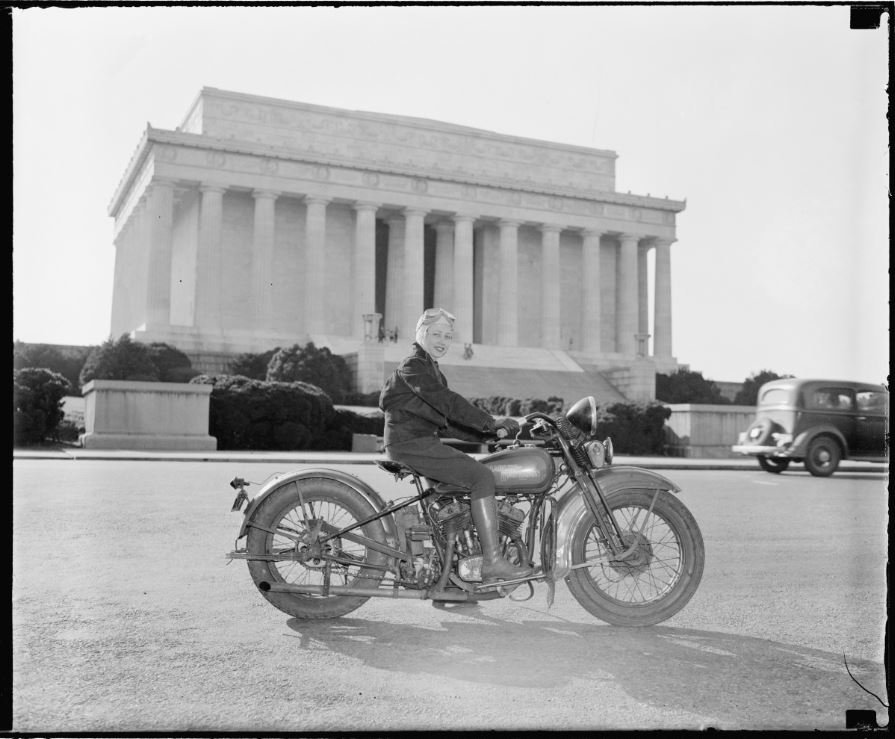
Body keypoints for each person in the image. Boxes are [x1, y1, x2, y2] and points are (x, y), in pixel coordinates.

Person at [379, 307, 533, 582]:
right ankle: (492, 562)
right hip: (411, 444)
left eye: (448, 336)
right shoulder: (414, 365)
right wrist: (489, 420)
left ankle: (452, 575)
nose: (442, 341)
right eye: (436, 334)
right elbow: (448, 403)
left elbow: (446, 422)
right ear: (420, 334)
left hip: (418, 441)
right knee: (481, 478)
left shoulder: (430, 369)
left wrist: (488, 436)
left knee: (456, 495)